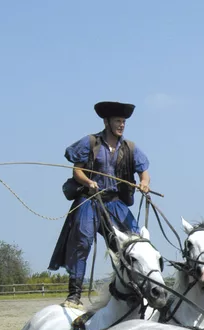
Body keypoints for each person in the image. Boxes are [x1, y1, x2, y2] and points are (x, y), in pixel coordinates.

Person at [48, 101, 151, 310]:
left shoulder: (130, 147)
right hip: (89, 201)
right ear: (107, 122)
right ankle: (74, 294)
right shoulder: (91, 142)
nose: (122, 125)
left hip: (115, 203)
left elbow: (144, 172)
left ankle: (136, 289)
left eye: (123, 122)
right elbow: (77, 171)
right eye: (118, 121)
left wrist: (144, 184)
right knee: (82, 242)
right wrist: (88, 182)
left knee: (134, 239)